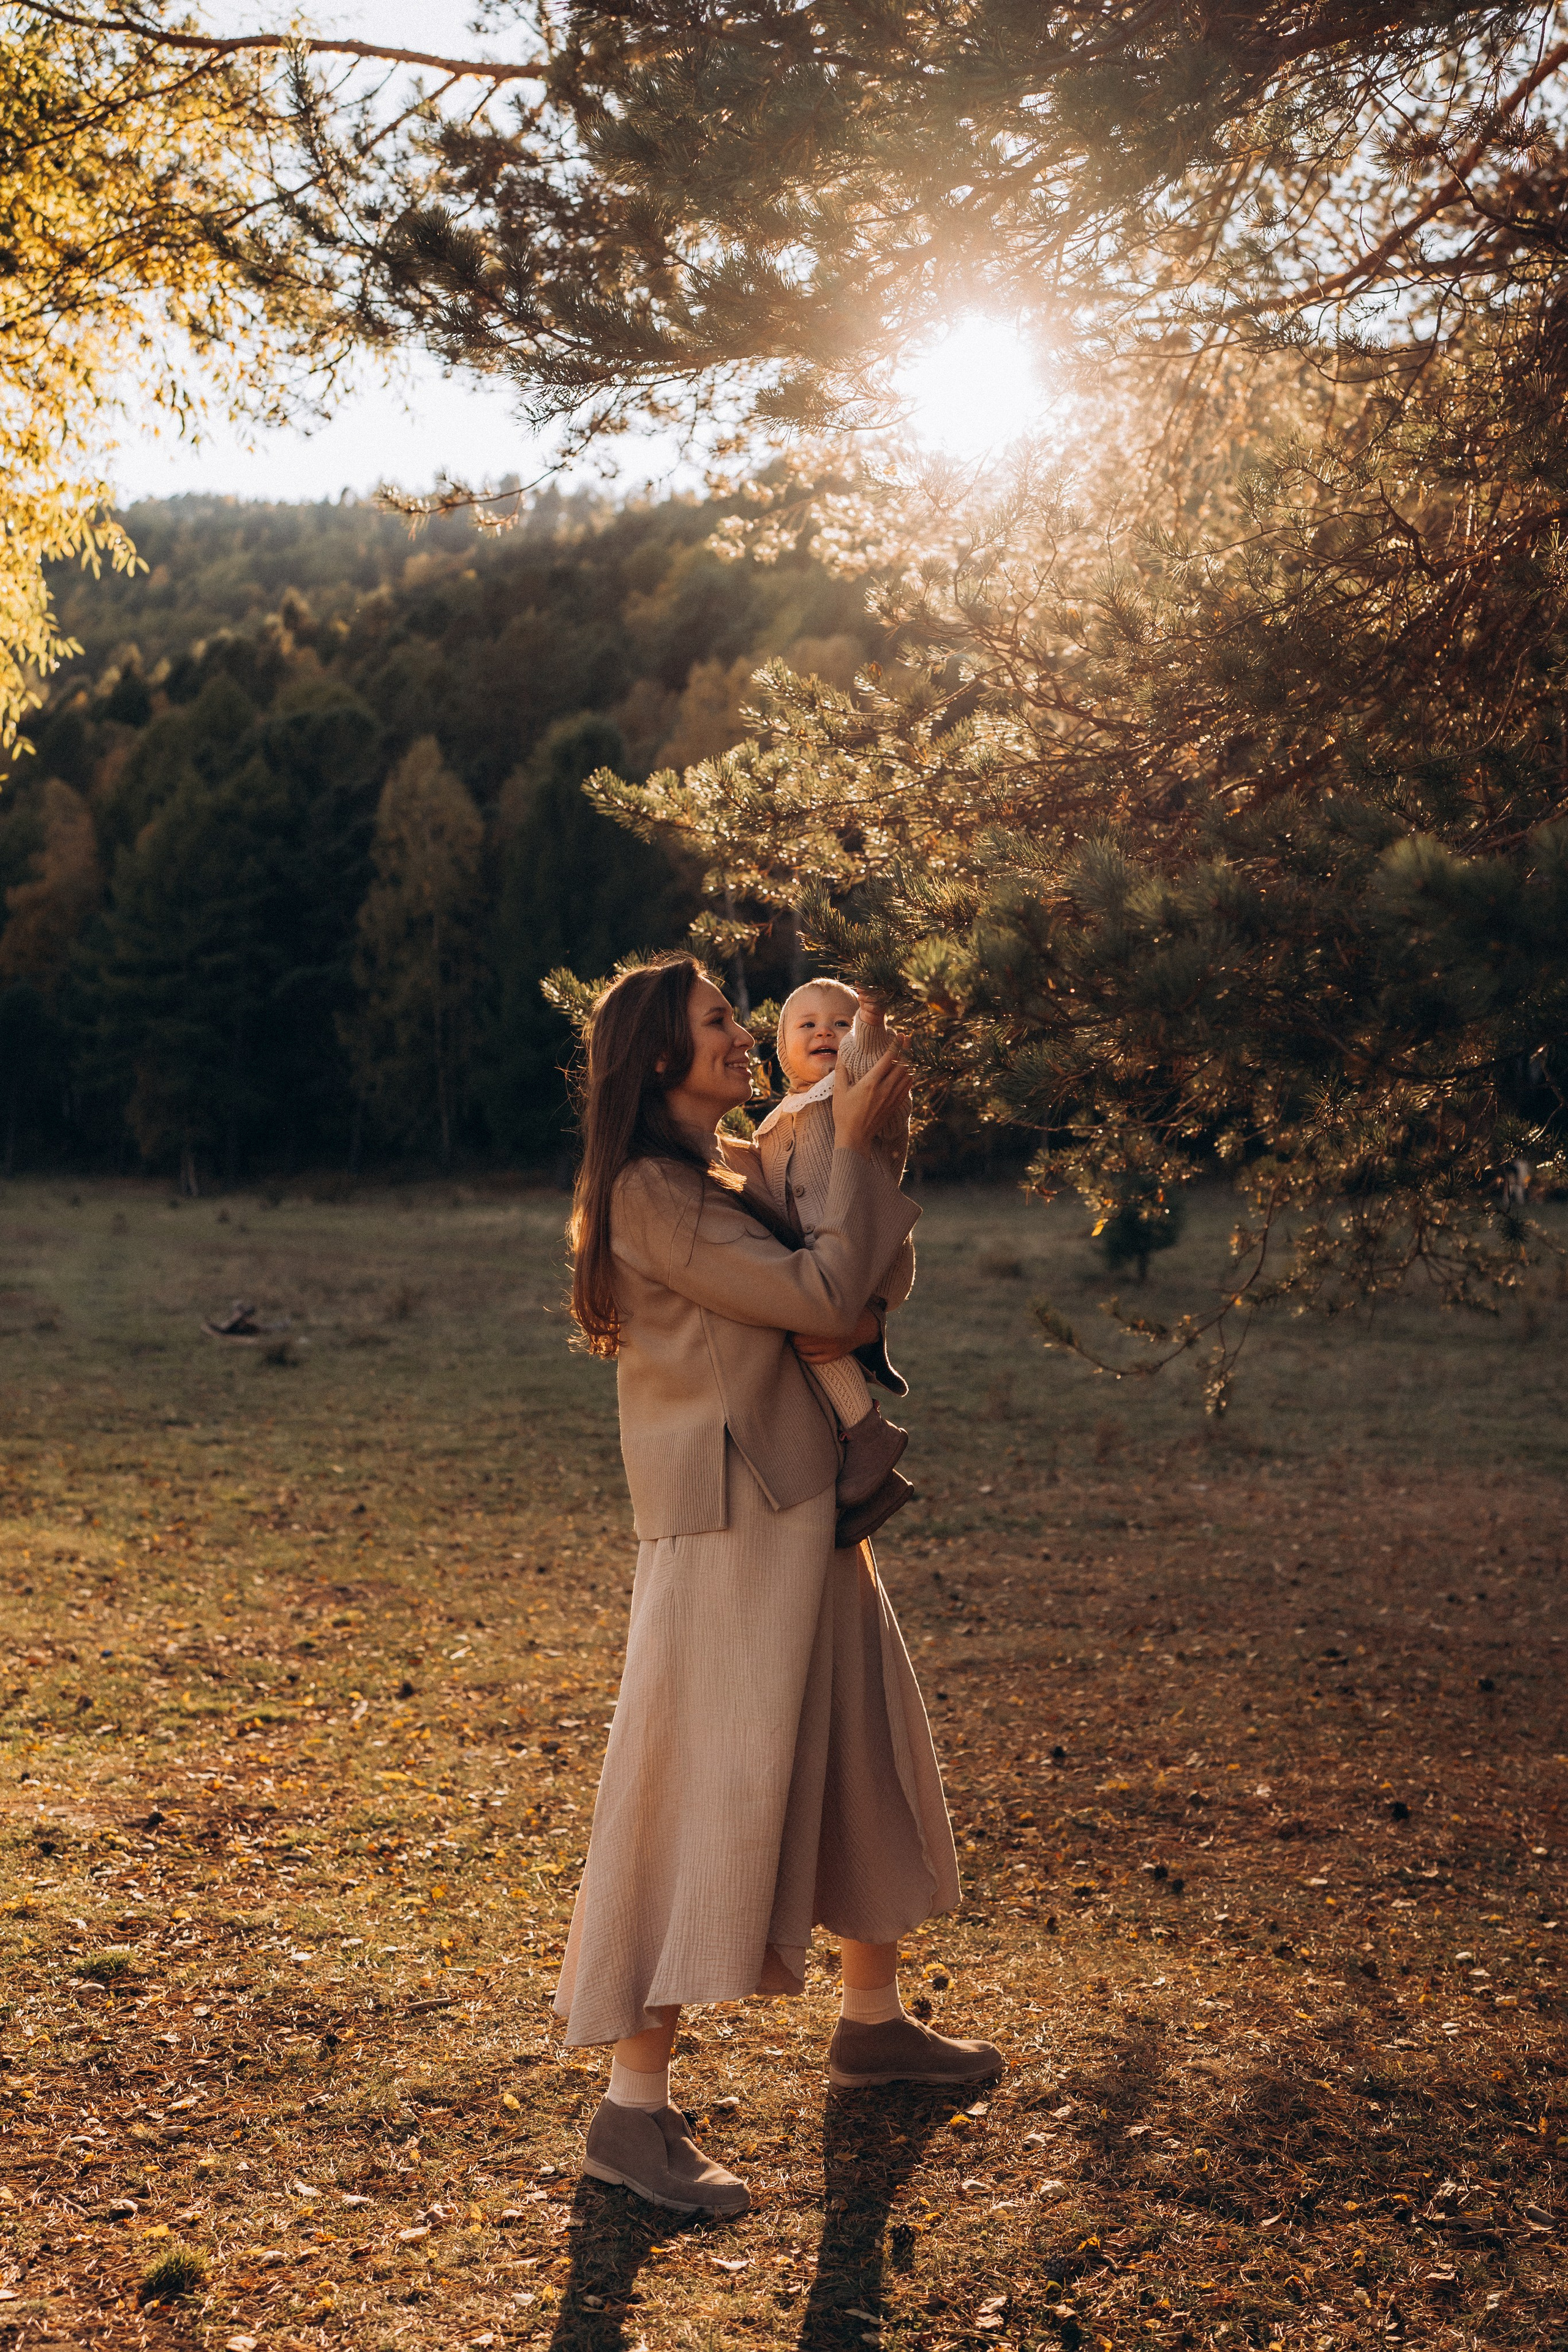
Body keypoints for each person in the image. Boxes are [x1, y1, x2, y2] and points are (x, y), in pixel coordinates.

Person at [552, 952, 1001, 2220]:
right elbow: (817, 1288)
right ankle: (630, 2115)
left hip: (805, 1501)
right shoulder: (650, 1193)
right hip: (730, 1522)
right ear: (655, 1057)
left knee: (862, 1749)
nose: (744, 1035)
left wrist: (854, 1152)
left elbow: (861, 1284)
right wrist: (844, 1279)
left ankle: (872, 2023)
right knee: (700, 1790)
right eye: (715, 1023)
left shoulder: (738, 1164)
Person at [756, 976, 914, 1545]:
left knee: (811, 1330)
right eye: (807, 1024)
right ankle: (867, 1471)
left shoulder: (856, 1088)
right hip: (818, 1263)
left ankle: (870, 1434)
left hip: (864, 1247)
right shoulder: (776, 1118)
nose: (825, 1030)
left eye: (838, 1022)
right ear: (782, 1051)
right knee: (808, 1340)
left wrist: (870, 1015)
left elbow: (871, 1053)